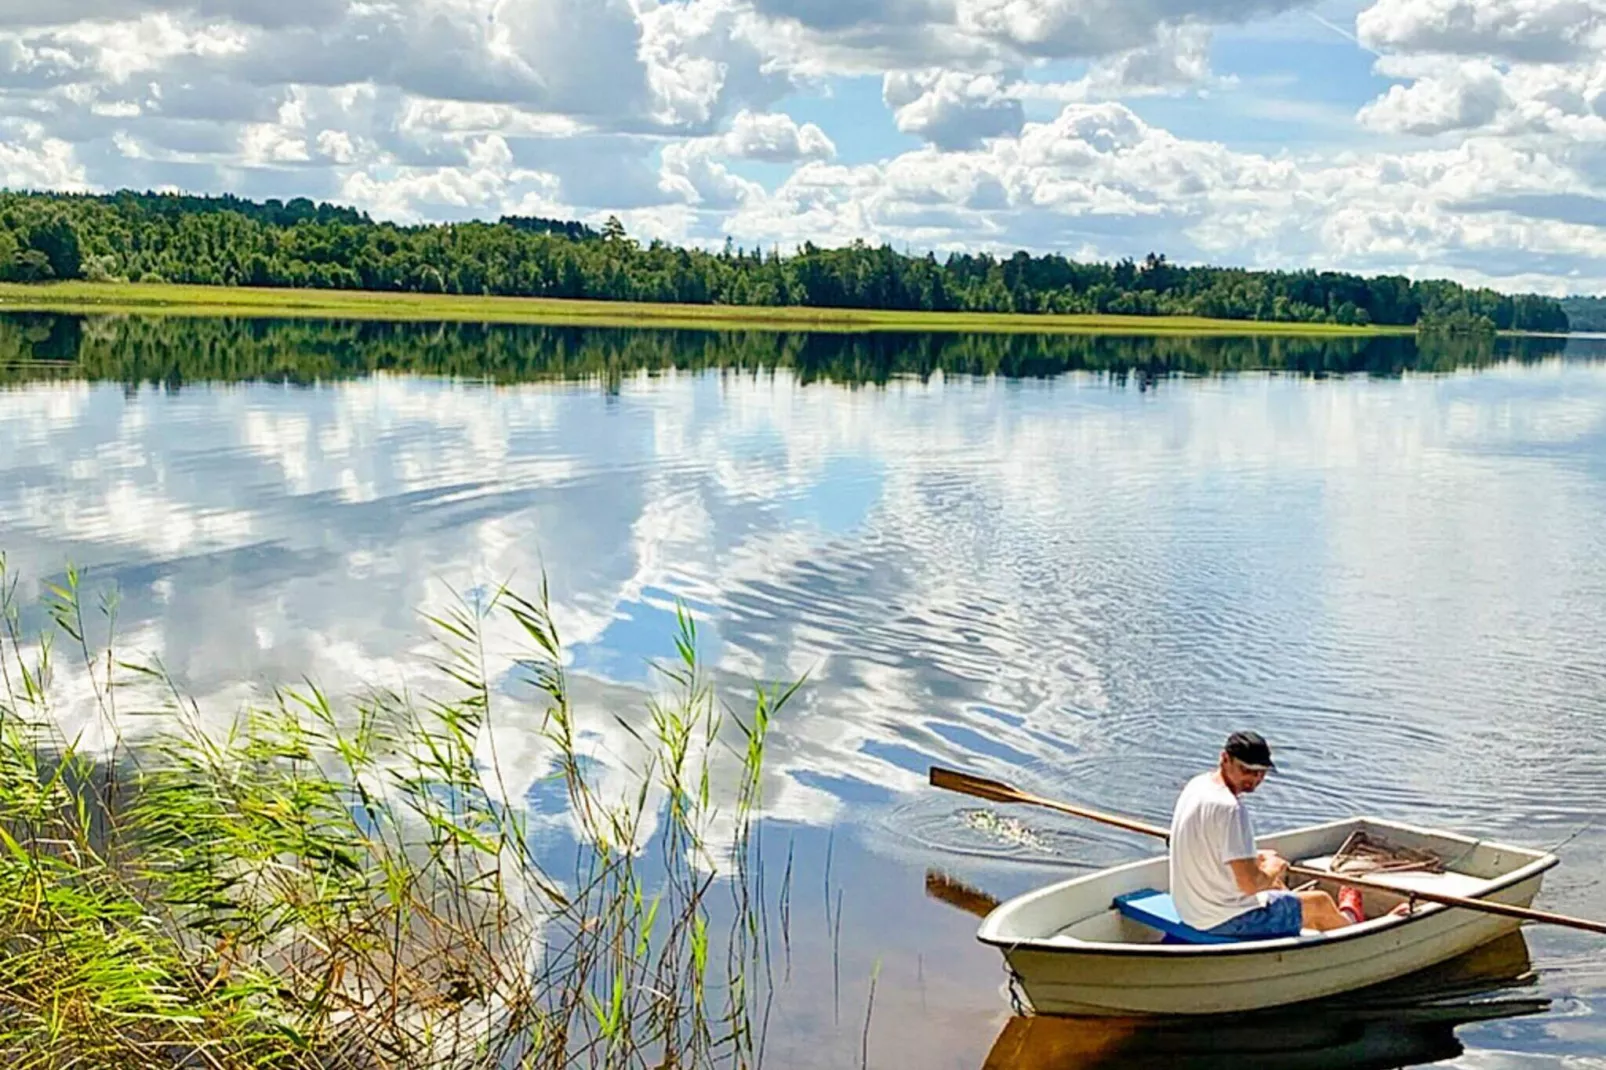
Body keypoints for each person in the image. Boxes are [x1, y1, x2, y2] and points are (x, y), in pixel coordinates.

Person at [1168, 731, 1365, 939]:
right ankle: (1354, 926)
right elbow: (1250, 885)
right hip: (1225, 920)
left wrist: (1258, 860)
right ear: (1224, 759)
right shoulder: (1231, 809)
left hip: (1189, 910)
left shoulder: (1197, 785)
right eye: (1246, 770)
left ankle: (1312, 917)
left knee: (1274, 882)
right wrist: (1273, 869)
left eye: (1261, 772)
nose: (1254, 779)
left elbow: (1210, 846)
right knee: (1320, 902)